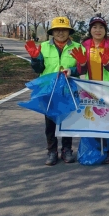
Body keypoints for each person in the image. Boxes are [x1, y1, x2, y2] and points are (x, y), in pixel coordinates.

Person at [25, 16, 83, 166]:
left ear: (69, 31)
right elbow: (39, 69)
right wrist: (35, 59)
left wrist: (73, 70)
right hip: (48, 90)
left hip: (68, 89)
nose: (61, 33)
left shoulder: (77, 47)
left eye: (64, 30)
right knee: (50, 122)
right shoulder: (43, 47)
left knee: (67, 121)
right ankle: (51, 151)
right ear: (52, 32)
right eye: (57, 30)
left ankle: (67, 149)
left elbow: (83, 68)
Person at [71, 14, 109, 164]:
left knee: (107, 121)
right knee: (91, 120)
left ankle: (108, 151)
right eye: (94, 27)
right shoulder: (84, 46)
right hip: (88, 90)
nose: (98, 30)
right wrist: (81, 63)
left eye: (101, 27)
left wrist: (107, 64)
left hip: (107, 90)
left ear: (106, 30)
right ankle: (93, 150)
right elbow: (81, 71)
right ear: (90, 29)